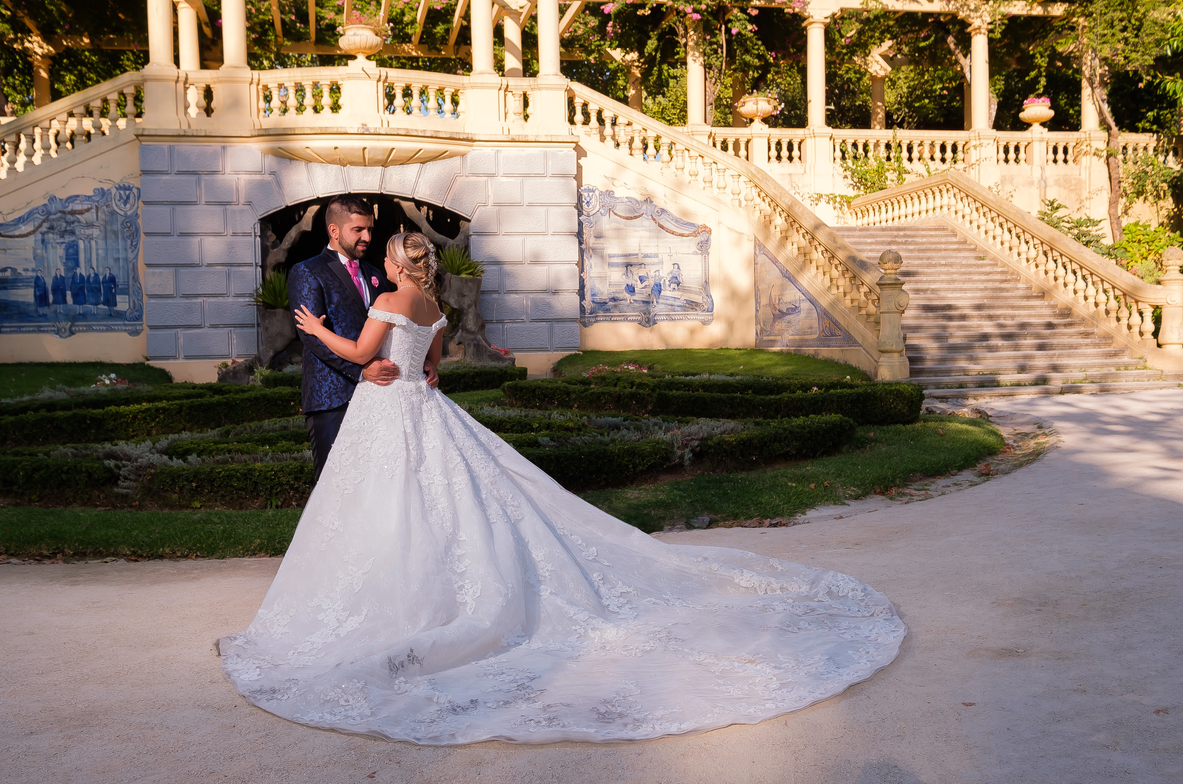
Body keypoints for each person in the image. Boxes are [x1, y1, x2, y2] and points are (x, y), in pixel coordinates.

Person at [219, 230, 907, 746]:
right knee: (435, 505)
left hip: (385, 413)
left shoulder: (389, 299)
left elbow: (364, 355)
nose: (388, 265)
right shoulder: (431, 308)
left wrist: (317, 332)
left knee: (384, 510)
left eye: (390, 258)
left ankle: (390, 601)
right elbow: (433, 373)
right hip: (421, 410)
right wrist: (404, 370)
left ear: (397, 264)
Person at [285, 194, 436, 482]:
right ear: (334, 230)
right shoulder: (306, 271)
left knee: (375, 484)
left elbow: (398, 325)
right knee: (335, 484)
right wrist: (362, 368)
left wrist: (424, 361)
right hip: (332, 397)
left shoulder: (376, 274)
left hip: (381, 397)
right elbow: (311, 336)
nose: (367, 236)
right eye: (358, 230)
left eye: (369, 229)